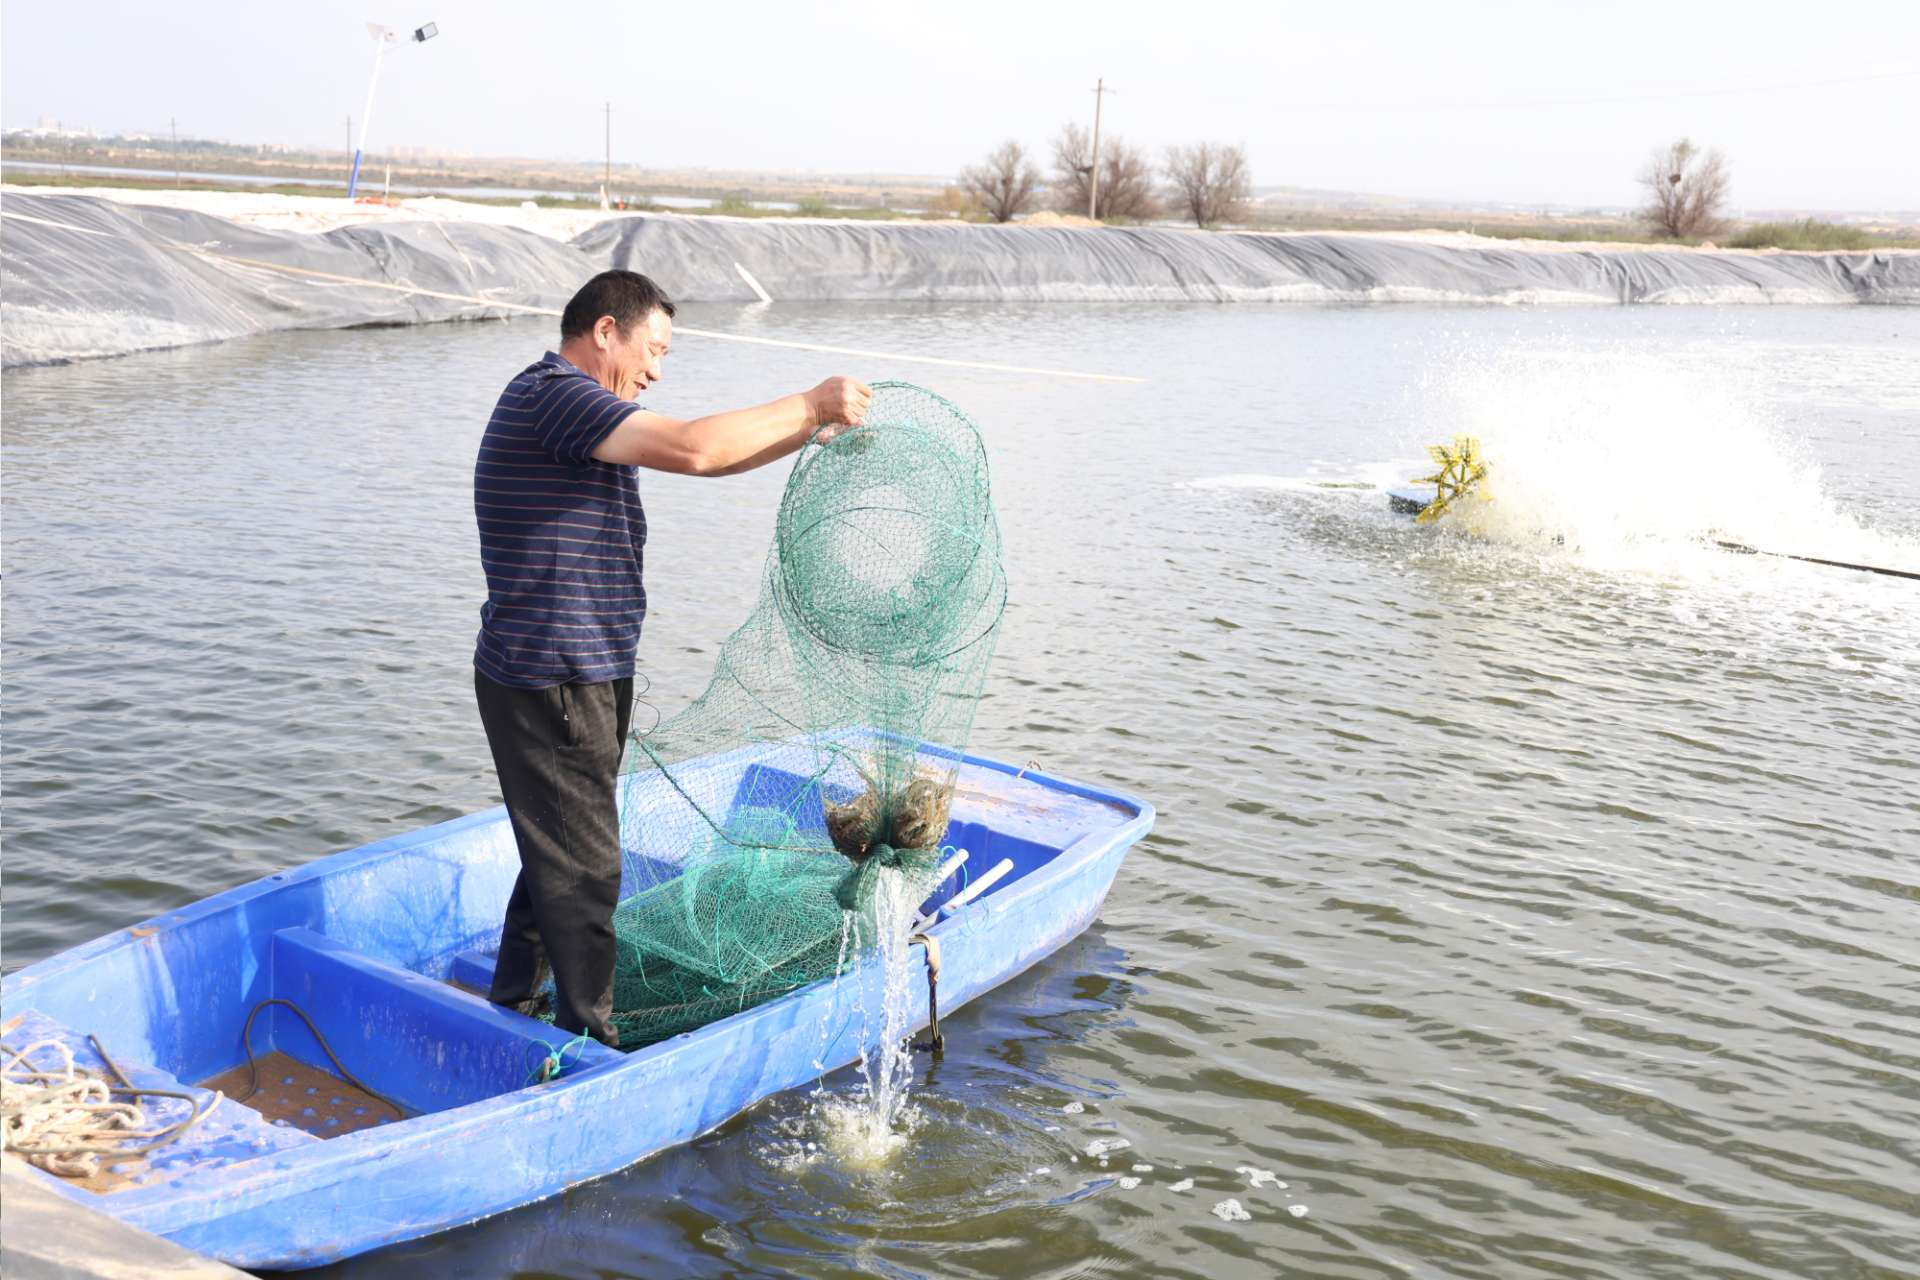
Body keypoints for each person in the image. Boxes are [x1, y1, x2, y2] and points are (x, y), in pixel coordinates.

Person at [473, 269, 871, 1046]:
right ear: (603, 332)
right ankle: (590, 1036)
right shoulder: (553, 395)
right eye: (651, 350)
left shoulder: (585, 416)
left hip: (580, 671)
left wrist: (802, 430)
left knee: (558, 838)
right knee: (587, 865)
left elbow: (714, 459)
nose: (655, 370)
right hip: (550, 675)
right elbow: (692, 448)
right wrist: (811, 402)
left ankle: (514, 1002)